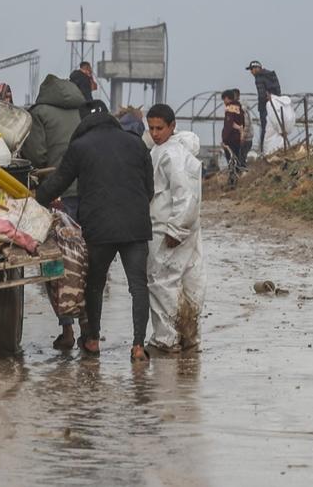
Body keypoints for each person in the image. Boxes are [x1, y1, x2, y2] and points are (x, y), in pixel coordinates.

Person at [36, 99, 155, 363]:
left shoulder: (80, 147)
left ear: (83, 121)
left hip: (99, 227)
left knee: (95, 284)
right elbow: (149, 189)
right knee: (138, 286)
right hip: (135, 225)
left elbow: (58, 182)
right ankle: (138, 346)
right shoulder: (136, 142)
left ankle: (92, 340)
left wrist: (34, 201)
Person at [20, 74, 89, 349]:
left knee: (56, 264)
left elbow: (36, 155)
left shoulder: (39, 113)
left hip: (56, 194)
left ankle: (67, 331)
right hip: (87, 192)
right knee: (85, 262)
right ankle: (89, 330)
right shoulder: (82, 110)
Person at [145, 105, 205, 353]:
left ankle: (167, 338)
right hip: (185, 227)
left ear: (172, 126)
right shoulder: (174, 151)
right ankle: (189, 336)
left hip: (168, 228)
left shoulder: (172, 156)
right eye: (151, 128)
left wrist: (175, 230)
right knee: (189, 280)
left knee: (162, 281)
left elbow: (184, 195)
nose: (155, 133)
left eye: (160, 128)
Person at [245, 60, 281, 154]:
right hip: (275, 104)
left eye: (252, 69)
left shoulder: (259, 78)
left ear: (257, 68)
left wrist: (261, 106)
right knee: (275, 127)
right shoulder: (271, 75)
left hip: (265, 107)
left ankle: (264, 152)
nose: (251, 72)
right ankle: (277, 149)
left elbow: (262, 95)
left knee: (265, 128)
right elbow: (278, 90)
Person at [221, 89, 247, 171]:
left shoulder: (229, 108)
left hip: (230, 138)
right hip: (238, 138)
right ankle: (238, 175)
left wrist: (224, 139)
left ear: (227, 98)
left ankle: (233, 179)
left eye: (224, 99)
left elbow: (229, 124)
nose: (224, 102)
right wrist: (241, 134)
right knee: (237, 157)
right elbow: (243, 123)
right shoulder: (239, 108)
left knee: (231, 160)